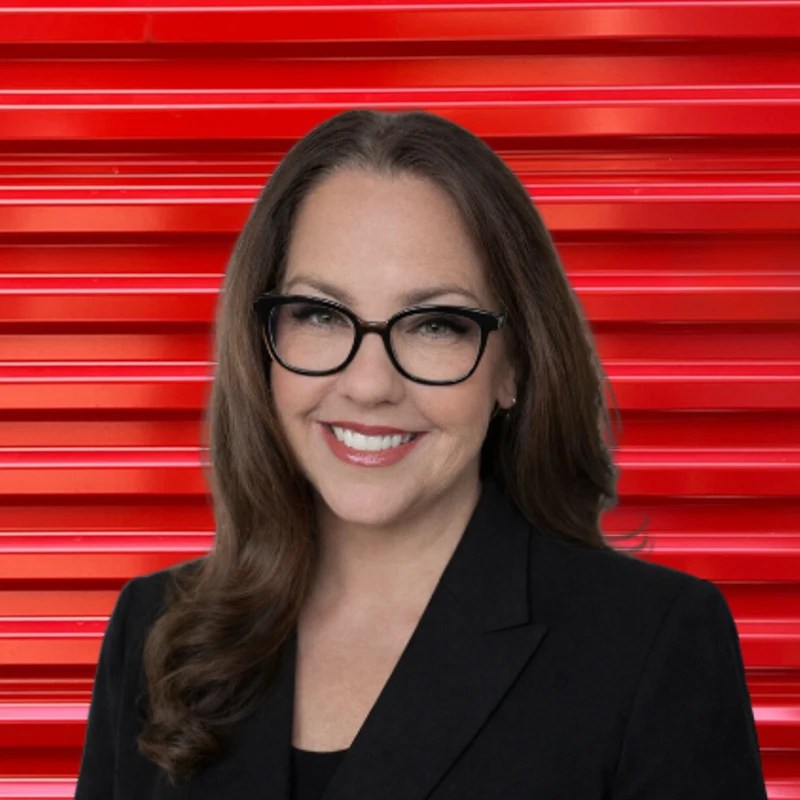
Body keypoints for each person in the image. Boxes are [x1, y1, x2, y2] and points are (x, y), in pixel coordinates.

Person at [74, 109, 768, 800]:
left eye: (437, 324)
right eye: (319, 314)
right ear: (263, 344)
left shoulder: (651, 645)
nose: (370, 384)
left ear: (513, 367)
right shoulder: (156, 628)